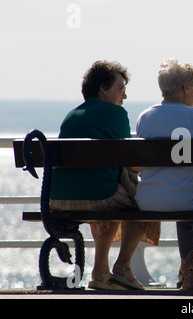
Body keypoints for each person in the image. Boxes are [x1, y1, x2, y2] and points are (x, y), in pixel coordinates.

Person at [50, 60, 160, 290]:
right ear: (103, 88)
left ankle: (100, 271)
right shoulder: (115, 114)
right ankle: (122, 267)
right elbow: (132, 163)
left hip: (59, 199)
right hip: (100, 196)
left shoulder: (72, 116)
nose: (125, 96)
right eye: (121, 88)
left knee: (104, 190)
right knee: (147, 200)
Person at [135, 59, 193, 286]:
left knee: (189, 188)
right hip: (189, 199)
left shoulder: (145, 116)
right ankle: (191, 266)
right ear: (186, 88)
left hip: (149, 200)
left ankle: (187, 265)